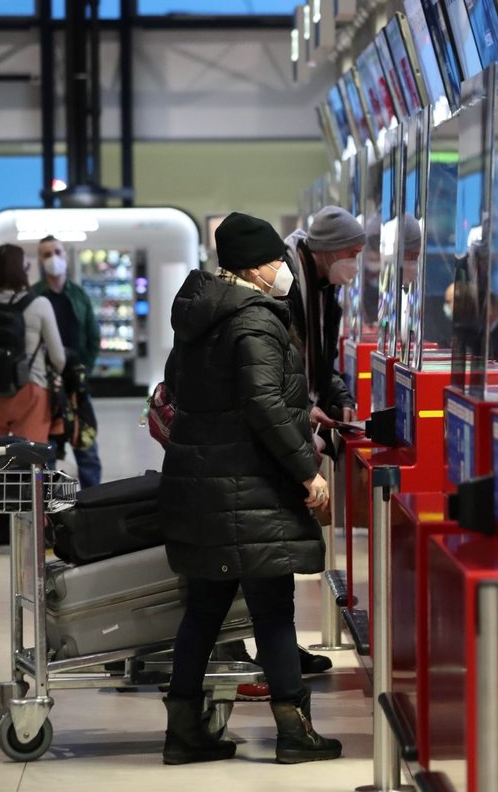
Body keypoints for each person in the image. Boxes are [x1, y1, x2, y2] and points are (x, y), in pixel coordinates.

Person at [159, 212, 341, 765]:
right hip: (252, 483)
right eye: (277, 261)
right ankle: (293, 730)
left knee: (204, 611)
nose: (284, 269)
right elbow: (263, 404)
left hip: (204, 484)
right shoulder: (254, 321)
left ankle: (184, 730)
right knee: (272, 609)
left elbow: (202, 390)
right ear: (257, 268)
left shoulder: (199, 315)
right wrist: (306, 470)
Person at [282, 205, 365, 432]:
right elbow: (275, 364)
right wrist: (302, 406)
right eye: (352, 254)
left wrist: (342, 397)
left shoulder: (326, 288)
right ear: (329, 248)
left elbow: (322, 360)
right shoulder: (284, 284)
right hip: (287, 416)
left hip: (303, 414)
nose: (355, 265)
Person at [32, 235, 102, 487]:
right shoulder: (35, 296)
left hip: (76, 385)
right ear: (40, 259)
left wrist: (84, 371)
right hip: (44, 386)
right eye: (47, 254)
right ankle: (47, 505)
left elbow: (93, 337)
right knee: (46, 448)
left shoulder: (79, 295)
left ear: (65, 256)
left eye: (57, 252)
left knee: (87, 448)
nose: (53, 258)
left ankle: (93, 503)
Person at [0, 244, 67, 444]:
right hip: (31, 388)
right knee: (29, 458)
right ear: (23, 270)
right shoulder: (40, 304)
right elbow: (58, 358)